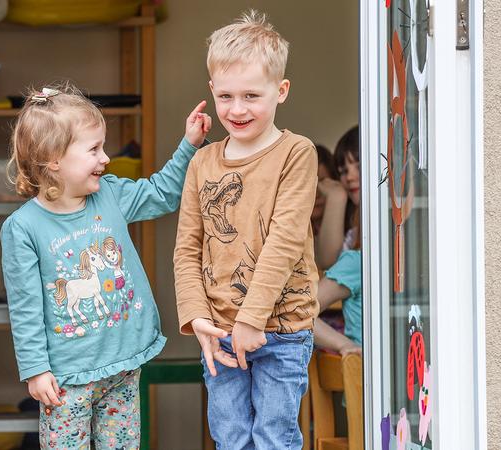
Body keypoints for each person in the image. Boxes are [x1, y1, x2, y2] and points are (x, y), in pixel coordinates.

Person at [0, 83, 211, 449]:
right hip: (67, 377)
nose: (106, 158)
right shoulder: (22, 228)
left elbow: (162, 193)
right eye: (94, 149)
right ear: (53, 159)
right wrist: (35, 369)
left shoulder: (110, 195)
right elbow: (25, 307)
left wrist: (189, 145)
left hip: (123, 366)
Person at [173, 10, 319, 449]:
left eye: (252, 95)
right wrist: (196, 317)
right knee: (230, 437)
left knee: (274, 436)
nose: (237, 110)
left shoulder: (296, 153)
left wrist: (252, 320)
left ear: (282, 90)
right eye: (227, 96)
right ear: (212, 92)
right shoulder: (202, 163)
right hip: (218, 331)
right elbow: (187, 248)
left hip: (281, 329)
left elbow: (285, 242)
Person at [313, 126, 364, 356]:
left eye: (359, 166)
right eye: (343, 170)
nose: (350, 176)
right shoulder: (354, 254)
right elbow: (330, 261)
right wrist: (337, 196)